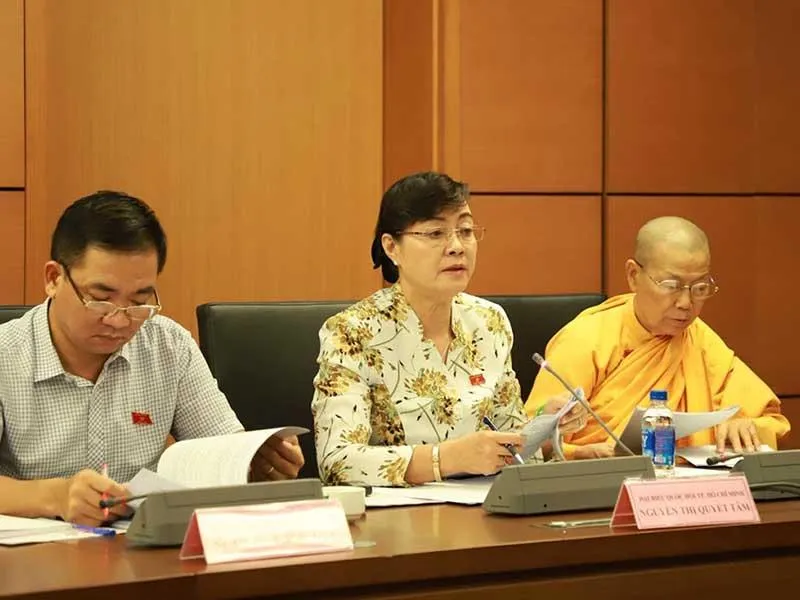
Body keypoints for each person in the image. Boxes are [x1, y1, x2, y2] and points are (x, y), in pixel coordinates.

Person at [0, 191, 304, 525]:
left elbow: (219, 448)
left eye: (138, 302)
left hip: (145, 544)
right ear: (54, 279)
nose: (119, 320)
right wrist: (56, 496)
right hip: (33, 551)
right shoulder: (5, 354)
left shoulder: (169, 346)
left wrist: (254, 467)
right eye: (100, 299)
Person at [311, 172, 584, 486]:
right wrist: (447, 459)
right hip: (399, 511)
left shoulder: (489, 321)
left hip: (487, 503)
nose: (456, 246)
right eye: (435, 233)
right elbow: (337, 461)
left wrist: (543, 426)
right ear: (392, 247)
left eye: (465, 231)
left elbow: (510, 445)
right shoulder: (351, 332)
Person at [526, 216, 790, 460]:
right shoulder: (587, 339)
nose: (686, 303)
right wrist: (578, 454)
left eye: (699, 288)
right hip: (601, 482)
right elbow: (529, 439)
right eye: (671, 286)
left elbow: (769, 419)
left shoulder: (699, 338)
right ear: (633, 276)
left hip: (691, 482)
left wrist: (745, 425)